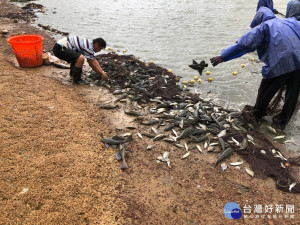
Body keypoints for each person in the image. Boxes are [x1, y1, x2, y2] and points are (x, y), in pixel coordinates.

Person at [210, 7, 300, 130]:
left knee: (266, 91)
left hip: (280, 63)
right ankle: (282, 124)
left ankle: (257, 115)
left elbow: (243, 45)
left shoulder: (263, 27)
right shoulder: (291, 22)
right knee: (292, 95)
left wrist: (223, 56)